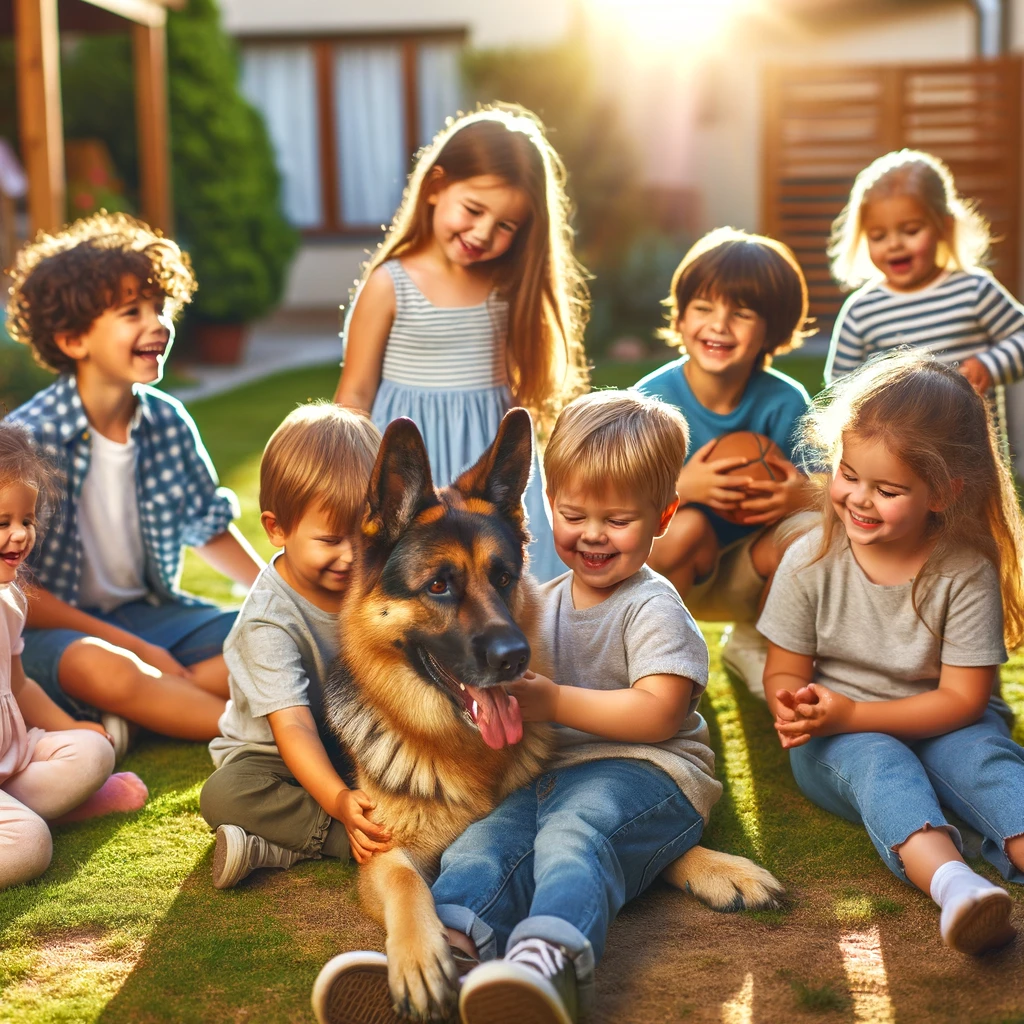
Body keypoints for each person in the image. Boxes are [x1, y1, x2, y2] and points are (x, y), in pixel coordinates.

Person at [315, 391, 722, 1024]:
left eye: (500, 580)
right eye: (440, 587)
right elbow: (387, 857)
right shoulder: (555, 607)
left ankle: (550, 958)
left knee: (565, 831)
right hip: (569, 778)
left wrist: (678, 856)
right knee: (490, 847)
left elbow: (656, 719)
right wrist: (404, 911)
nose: (503, 634)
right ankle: (448, 949)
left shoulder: (649, 608)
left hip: (642, 772)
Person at [758, 352, 1024, 956]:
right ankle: (956, 887)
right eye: (848, 474)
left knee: (984, 763)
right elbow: (784, 671)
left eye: (888, 489)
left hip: (948, 721)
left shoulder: (964, 570)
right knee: (883, 767)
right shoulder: (808, 560)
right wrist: (795, 706)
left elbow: (962, 699)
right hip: (841, 739)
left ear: (944, 492)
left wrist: (856, 711)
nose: (858, 498)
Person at [4, 212, 264, 751]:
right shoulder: (29, 440)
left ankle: (152, 709)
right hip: (49, 633)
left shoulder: (166, 420)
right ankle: (261, 733)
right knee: (109, 671)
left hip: (154, 614)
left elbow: (207, 527)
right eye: (131, 312)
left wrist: (283, 602)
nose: (158, 324)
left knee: (276, 639)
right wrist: (137, 651)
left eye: (160, 307)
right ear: (73, 339)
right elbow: (19, 585)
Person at [333, 104, 590, 583]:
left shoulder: (509, 287)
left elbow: (518, 393)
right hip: (414, 467)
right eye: (473, 210)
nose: (482, 233)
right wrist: (342, 486)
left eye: (506, 225)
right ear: (435, 188)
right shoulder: (391, 285)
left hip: (488, 470)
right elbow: (355, 396)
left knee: (512, 585)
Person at [200, 404, 391, 889]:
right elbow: (295, 729)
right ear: (277, 529)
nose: (351, 556)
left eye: (364, 536)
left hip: (353, 740)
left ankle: (267, 847)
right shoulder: (266, 621)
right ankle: (343, 838)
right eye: (330, 539)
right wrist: (337, 802)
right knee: (225, 794)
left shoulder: (376, 579)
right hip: (276, 757)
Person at [634, 227, 813, 696]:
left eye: (742, 313)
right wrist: (681, 488)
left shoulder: (785, 402)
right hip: (668, 568)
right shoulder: (652, 400)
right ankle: (659, 653)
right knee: (687, 526)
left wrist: (801, 493)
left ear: (771, 329)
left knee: (812, 531)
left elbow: (835, 488)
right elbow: (615, 498)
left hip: (751, 571)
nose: (719, 325)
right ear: (681, 316)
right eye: (704, 308)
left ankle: (755, 643)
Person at [0, 422, 147, 890]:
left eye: (27, 520)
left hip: (12, 758)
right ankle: (29, 819)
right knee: (29, 845)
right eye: (2, 523)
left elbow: (19, 686)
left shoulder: (11, 599)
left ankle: (30, 806)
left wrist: (71, 728)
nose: (20, 535)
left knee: (93, 750)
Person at [826, 149, 1024, 391]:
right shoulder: (860, 312)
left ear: (944, 227)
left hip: (970, 430)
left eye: (911, 231)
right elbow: (839, 390)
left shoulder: (975, 290)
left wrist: (990, 367)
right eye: (878, 236)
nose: (894, 244)